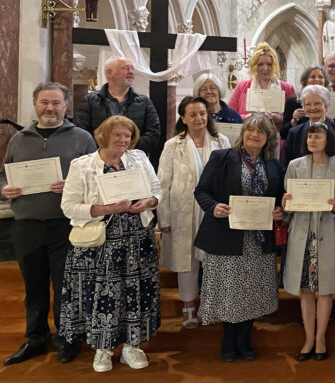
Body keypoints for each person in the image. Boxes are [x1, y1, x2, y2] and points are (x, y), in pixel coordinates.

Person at [0, 83, 96, 366]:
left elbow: (96, 178)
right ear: (35, 104)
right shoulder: (19, 139)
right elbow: (4, 176)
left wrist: (73, 185)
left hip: (65, 225)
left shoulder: (82, 138)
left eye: (56, 103)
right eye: (44, 102)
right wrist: (5, 189)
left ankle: (67, 337)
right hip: (27, 223)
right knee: (34, 285)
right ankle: (36, 338)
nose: (50, 108)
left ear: (66, 106)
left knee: (65, 285)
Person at [59, 116, 162, 372]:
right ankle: (102, 349)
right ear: (104, 135)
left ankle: (132, 346)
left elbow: (157, 190)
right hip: (99, 244)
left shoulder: (138, 158)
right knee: (100, 295)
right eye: (118, 135)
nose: (123, 140)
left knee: (135, 293)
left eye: (128, 136)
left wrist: (148, 202)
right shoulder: (82, 165)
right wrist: (106, 208)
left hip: (137, 240)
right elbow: (68, 206)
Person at [194, 114, 285, 363]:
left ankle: (244, 338)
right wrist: (213, 207)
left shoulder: (273, 165)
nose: (254, 135)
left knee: (253, 291)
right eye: (250, 130)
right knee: (230, 291)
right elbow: (201, 191)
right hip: (226, 236)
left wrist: (280, 211)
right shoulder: (222, 157)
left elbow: (280, 198)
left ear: (268, 139)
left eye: (261, 132)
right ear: (243, 133)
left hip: (258, 240)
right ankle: (228, 339)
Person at [156, 97, 231, 330]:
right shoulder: (173, 145)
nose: (199, 118)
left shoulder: (221, 141)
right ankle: (188, 306)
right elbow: (162, 183)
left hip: (213, 209)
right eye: (193, 114)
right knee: (186, 259)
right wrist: (164, 218)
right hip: (182, 210)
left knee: (214, 259)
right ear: (183, 119)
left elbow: (230, 177)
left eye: (202, 113)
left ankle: (212, 305)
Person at [282, 123, 335, 362]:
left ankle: (320, 338)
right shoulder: (294, 165)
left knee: (325, 289)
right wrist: (286, 202)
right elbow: (287, 207)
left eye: (318, 136)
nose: (312, 140)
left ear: (328, 139)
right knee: (305, 290)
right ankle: (308, 338)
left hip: (327, 233)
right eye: (310, 136)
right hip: (302, 234)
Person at [74, 57, 162, 158]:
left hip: (134, 160)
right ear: (109, 73)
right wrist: (105, 151)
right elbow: (82, 132)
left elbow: (153, 133)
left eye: (132, 69)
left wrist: (127, 149)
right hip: (99, 160)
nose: (131, 72)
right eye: (125, 68)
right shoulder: (90, 101)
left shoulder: (144, 101)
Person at [227, 43, 297, 126]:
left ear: (274, 65)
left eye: (269, 64)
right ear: (254, 66)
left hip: (277, 135)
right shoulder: (242, 86)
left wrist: (280, 119)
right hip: (249, 132)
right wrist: (246, 117)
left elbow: (296, 118)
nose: (265, 68)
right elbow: (229, 115)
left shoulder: (288, 88)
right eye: (260, 64)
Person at [283, 85, 335, 166]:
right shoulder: (294, 133)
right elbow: (286, 166)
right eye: (308, 104)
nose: (312, 108)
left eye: (317, 103)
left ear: (326, 106)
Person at [281, 65, 329, 140]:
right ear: (305, 81)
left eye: (320, 77)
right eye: (313, 77)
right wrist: (294, 120)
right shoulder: (292, 102)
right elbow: (283, 134)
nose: (317, 80)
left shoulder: (332, 102)